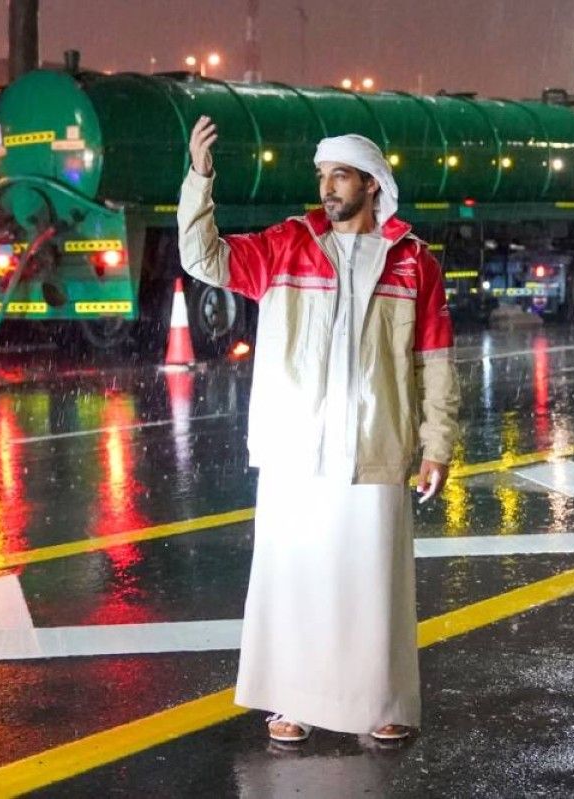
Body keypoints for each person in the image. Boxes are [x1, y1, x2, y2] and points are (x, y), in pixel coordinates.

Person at [177, 118, 459, 744]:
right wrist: (200, 179)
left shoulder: (414, 264)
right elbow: (203, 257)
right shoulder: (287, 245)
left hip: (376, 445)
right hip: (295, 448)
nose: (327, 188)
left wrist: (437, 446)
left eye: (339, 176)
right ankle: (290, 701)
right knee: (295, 576)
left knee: (373, 580)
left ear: (371, 183)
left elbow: (433, 365)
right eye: (322, 177)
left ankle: (380, 702)